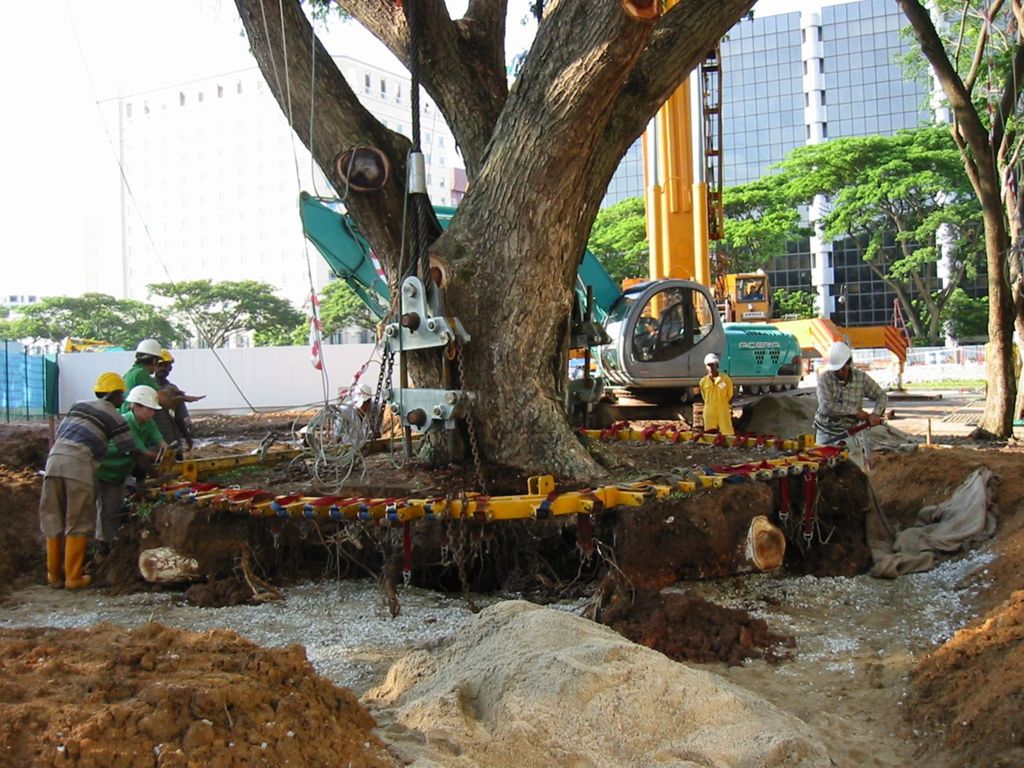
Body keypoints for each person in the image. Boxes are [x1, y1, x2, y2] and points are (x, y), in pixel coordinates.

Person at [38, 372, 139, 589]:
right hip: (79, 467)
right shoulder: (115, 416)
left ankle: (53, 576)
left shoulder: (78, 405)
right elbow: (131, 451)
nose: (122, 400)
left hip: (53, 463)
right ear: (115, 394)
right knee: (78, 521)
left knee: (52, 518)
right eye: (121, 395)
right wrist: (153, 470)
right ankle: (74, 578)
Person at [95, 386, 167, 553]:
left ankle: (115, 543)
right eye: (149, 409)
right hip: (105, 470)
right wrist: (160, 469)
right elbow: (141, 453)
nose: (152, 413)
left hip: (121, 472)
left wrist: (170, 453)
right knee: (106, 509)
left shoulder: (148, 423)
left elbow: (160, 442)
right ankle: (102, 547)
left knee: (116, 506)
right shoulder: (126, 422)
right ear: (135, 406)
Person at [814, 341, 888, 451]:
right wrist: (856, 412)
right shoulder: (824, 379)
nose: (839, 372)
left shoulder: (861, 378)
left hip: (850, 433)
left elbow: (881, 396)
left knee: (855, 466)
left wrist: (876, 414)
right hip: (826, 434)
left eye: (843, 368)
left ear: (849, 363)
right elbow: (827, 407)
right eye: (836, 370)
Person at [153, 349, 204, 452]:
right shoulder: (147, 386)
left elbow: (179, 417)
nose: (163, 368)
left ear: (170, 368)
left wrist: (187, 437)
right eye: (160, 365)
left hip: (172, 437)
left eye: (166, 365)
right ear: (155, 366)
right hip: (153, 440)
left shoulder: (174, 389)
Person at [699, 352, 734, 435]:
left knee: (727, 432)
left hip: (723, 410)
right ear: (706, 367)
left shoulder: (725, 379)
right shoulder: (703, 381)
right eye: (709, 365)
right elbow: (704, 396)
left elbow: (730, 394)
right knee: (710, 434)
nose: (711, 367)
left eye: (713, 365)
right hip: (709, 410)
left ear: (717, 365)